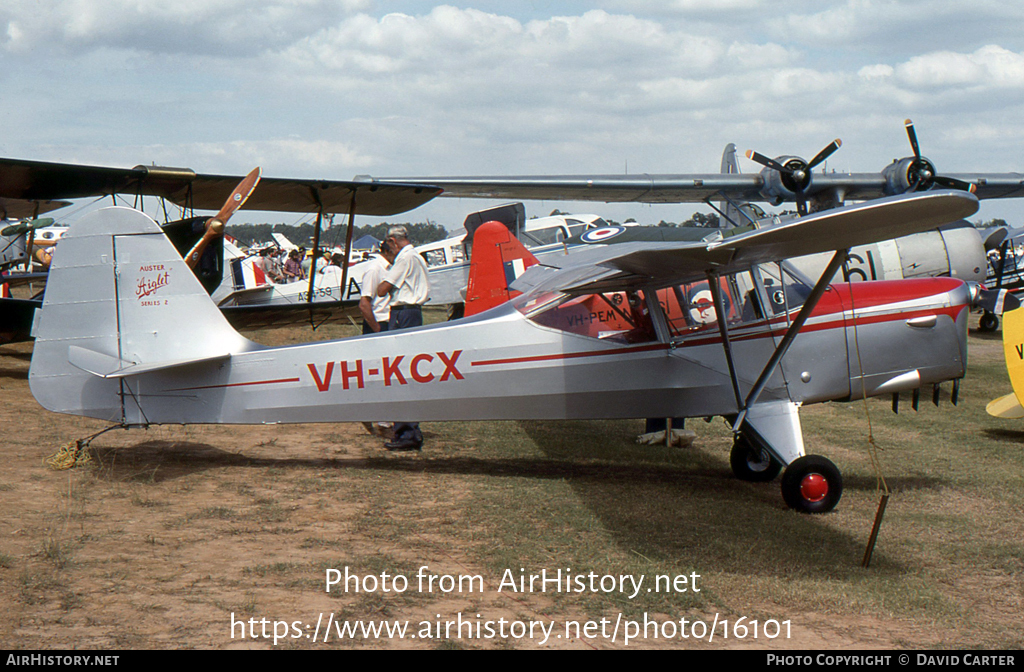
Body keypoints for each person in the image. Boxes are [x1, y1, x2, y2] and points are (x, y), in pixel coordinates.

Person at [376, 225, 430, 451]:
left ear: (392, 241)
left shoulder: (404, 259)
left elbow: (382, 289)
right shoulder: (417, 257)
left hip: (402, 313)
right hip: (414, 312)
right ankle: (410, 429)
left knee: (399, 371)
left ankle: (405, 431)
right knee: (408, 370)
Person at [359, 241, 396, 334]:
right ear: (387, 252)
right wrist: (376, 328)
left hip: (388, 321)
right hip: (378, 321)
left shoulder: (390, 268)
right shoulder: (374, 269)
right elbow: (364, 303)